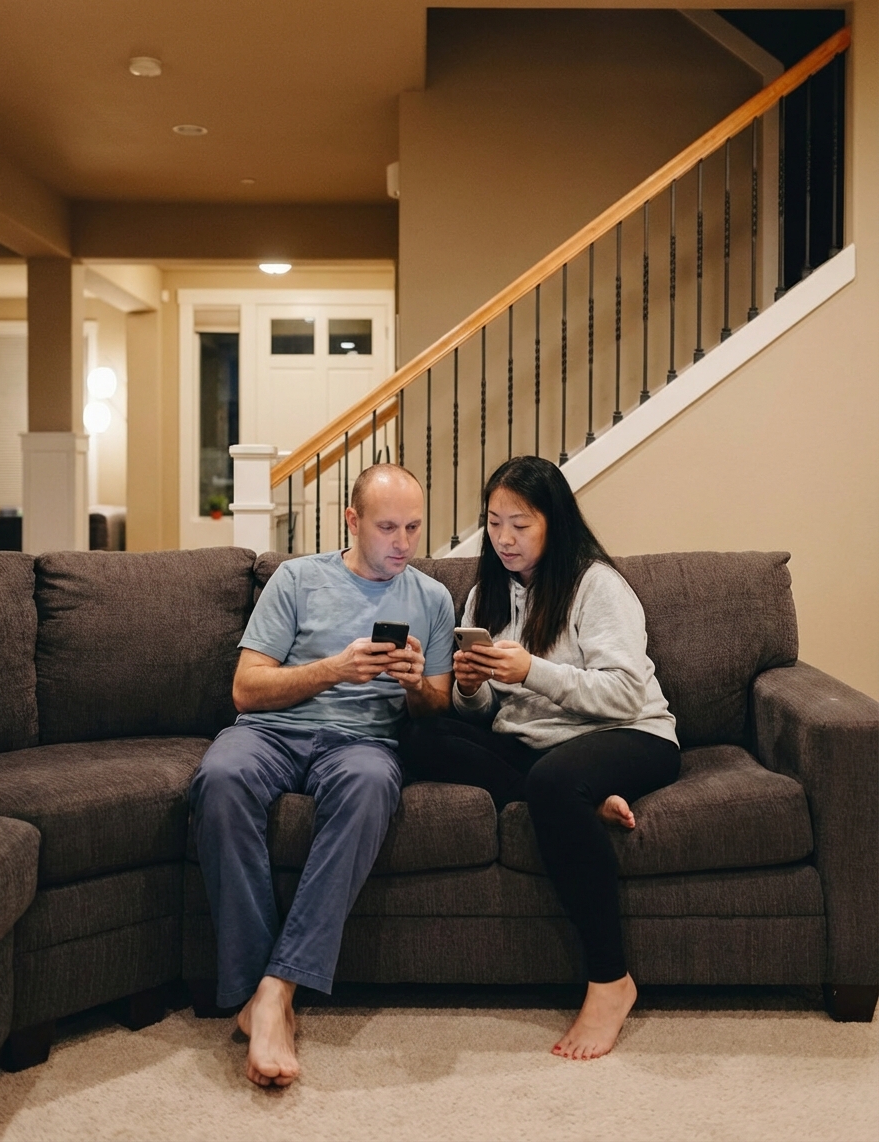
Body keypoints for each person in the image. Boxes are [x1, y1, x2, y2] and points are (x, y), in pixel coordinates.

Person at [399, 455, 680, 1062]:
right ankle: (578, 803)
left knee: (555, 780)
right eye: (494, 522)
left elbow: (625, 692)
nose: (503, 538)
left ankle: (611, 981)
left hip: (632, 734)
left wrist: (534, 670)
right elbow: (483, 716)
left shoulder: (596, 584)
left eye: (519, 524)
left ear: (553, 521)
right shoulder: (486, 593)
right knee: (422, 736)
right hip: (540, 748)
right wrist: (472, 685)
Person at [190, 464, 454, 1088]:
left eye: (414, 527)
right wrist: (336, 668)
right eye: (387, 526)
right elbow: (247, 689)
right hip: (271, 732)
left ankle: (277, 989)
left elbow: (439, 704)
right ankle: (262, 990)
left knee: (369, 786)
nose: (402, 542)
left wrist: (417, 684)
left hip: (362, 744)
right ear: (353, 522)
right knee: (220, 777)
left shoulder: (432, 599)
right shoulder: (298, 580)